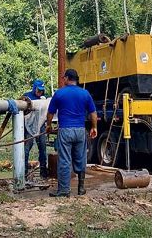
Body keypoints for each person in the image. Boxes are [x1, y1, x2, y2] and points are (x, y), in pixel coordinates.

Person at [46, 69, 97, 197]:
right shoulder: (85, 93)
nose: (63, 80)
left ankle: (64, 190)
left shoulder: (59, 93)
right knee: (81, 158)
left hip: (65, 130)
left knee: (64, 160)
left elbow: (50, 113)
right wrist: (94, 127)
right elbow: (93, 113)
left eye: (64, 78)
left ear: (68, 78)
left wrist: (48, 125)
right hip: (80, 131)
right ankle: (81, 188)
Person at [23, 79, 48, 179]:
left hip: (40, 126)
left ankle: (43, 171)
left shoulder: (43, 98)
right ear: (34, 88)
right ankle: (24, 171)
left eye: (42, 90)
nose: (40, 92)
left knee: (42, 148)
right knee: (26, 148)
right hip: (29, 126)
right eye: (38, 90)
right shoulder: (26, 97)